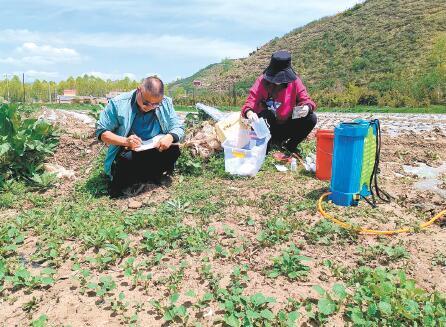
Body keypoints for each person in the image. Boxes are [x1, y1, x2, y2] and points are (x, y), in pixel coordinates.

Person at [96, 76, 184, 197]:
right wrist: (126, 141)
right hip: (130, 150)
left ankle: (147, 176)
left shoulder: (165, 102)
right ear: (139, 90)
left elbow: (178, 128)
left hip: (154, 148)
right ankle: (140, 178)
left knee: (173, 150)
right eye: (146, 103)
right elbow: (101, 132)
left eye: (155, 104)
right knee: (127, 160)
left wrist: (169, 137)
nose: (149, 107)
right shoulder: (118, 104)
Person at [241, 50, 317, 155]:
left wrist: (306, 108)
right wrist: (249, 113)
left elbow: (306, 100)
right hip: (267, 128)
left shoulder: (295, 81)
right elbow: (250, 101)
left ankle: (290, 146)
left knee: (311, 118)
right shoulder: (261, 81)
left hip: (287, 126)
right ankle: (264, 149)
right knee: (266, 113)